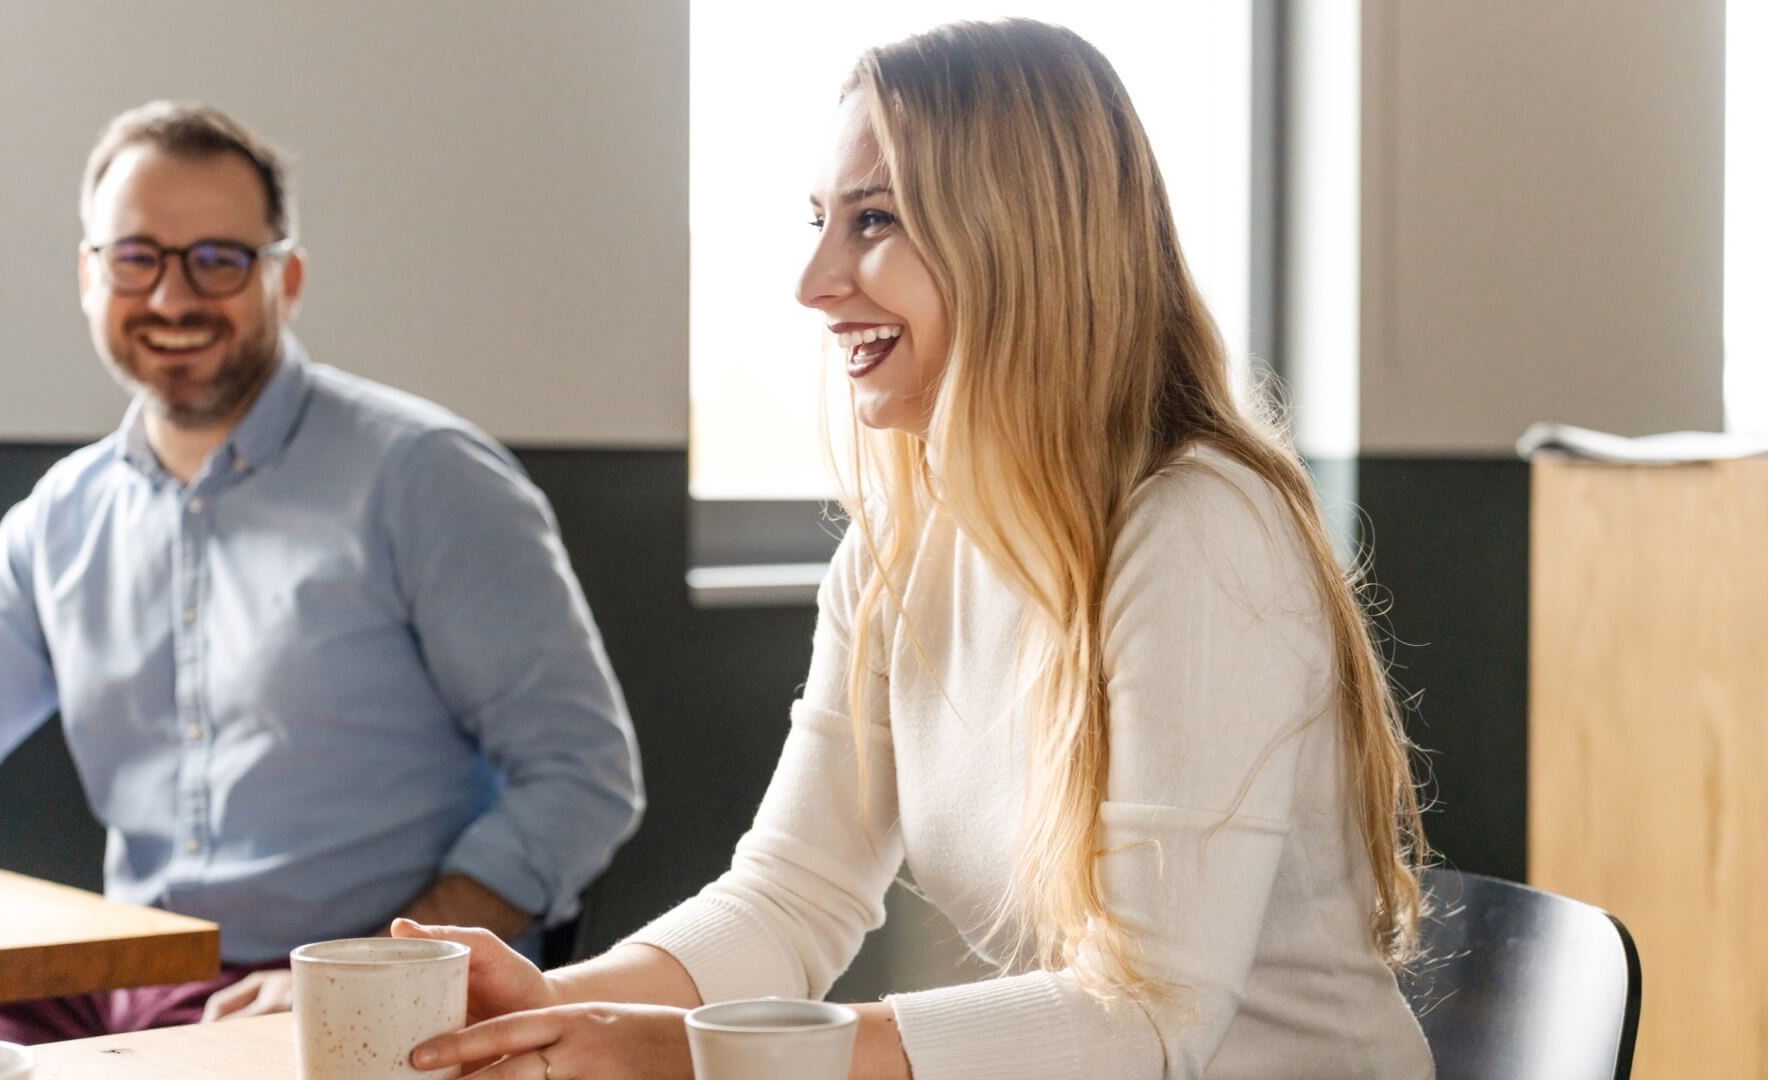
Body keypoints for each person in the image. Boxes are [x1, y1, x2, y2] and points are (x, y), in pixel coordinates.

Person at [393, 19, 1435, 1079]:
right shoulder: (903, 545)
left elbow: (1147, 1020)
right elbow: (792, 896)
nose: (814, 279)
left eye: (874, 219)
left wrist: (680, 1056)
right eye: (819, 219)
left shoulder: (1202, 530)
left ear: (1021, 238)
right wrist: (548, 1007)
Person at [0, 101, 643, 1042]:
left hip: (345, 989)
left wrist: (376, 968)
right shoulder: (64, 516)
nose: (174, 299)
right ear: (89, 276)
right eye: (136, 258)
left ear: (287, 279)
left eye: (219, 260)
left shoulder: (426, 478)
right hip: (122, 973)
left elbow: (583, 778)